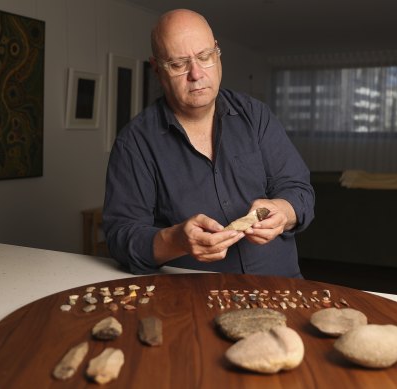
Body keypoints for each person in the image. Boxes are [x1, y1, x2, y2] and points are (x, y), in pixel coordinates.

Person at [102, 9, 314, 278]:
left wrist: (284, 211)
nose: (197, 73)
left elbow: (300, 191)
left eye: (205, 57)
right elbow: (121, 238)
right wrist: (175, 241)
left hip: (280, 287)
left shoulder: (256, 116)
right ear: (157, 69)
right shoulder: (135, 143)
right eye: (179, 64)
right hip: (191, 298)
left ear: (217, 53)